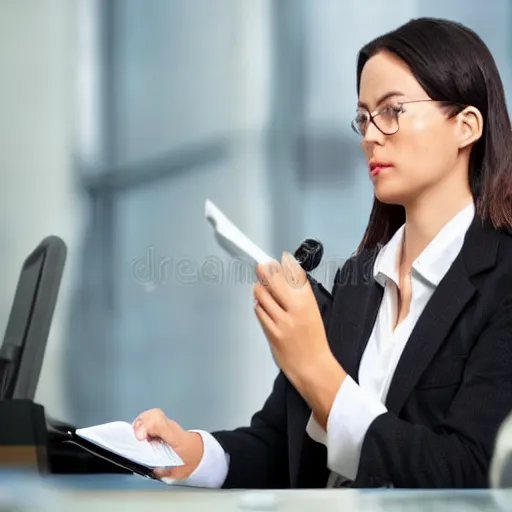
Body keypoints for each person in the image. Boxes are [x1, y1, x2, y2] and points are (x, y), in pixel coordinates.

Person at [132, 17, 512, 489]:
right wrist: (188, 452)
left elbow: (475, 474)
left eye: (392, 111)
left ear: (466, 126)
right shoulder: (357, 281)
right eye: (363, 117)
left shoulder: (502, 282)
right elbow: (282, 448)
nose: (370, 135)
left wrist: (316, 370)